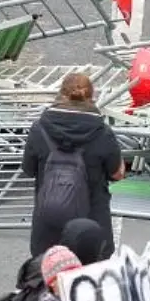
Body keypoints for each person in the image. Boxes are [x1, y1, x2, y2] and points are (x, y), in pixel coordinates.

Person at [22, 73, 125, 258]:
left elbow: (28, 169)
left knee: (49, 277)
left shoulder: (39, 128)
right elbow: (116, 173)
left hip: (48, 225)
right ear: (91, 97)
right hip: (92, 227)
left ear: (61, 94)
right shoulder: (102, 132)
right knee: (91, 280)